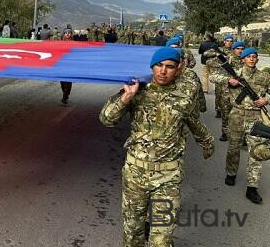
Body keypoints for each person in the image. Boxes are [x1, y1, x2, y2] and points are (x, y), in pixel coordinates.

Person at [99, 47, 214, 246]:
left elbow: (194, 122)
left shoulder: (184, 97)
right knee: (132, 236)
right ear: (152, 67)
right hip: (135, 175)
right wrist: (126, 99)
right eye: (159, 65)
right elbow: (106, 119)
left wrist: (207, 142)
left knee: (161, 241)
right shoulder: (137, 90)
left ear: (178, 69)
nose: (163, 71)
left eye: (169, 67)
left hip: (168, 178)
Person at [211, 47, 269, 204]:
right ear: (243, 59)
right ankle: (231, 173)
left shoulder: (264, 76)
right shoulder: (235, 72)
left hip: (255, 117)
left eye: (254, 56)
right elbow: (213, 76)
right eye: (248, 56)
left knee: (257, 152)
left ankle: (252, 187)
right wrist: (229, 80)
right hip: (236, 115)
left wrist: (266, 100)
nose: (251, 59)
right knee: (233, 148)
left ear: (257, 59)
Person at [60, 29, 73, 104]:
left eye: (69, 33)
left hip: (70, 65)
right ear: (63, 34)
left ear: (71, 34)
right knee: (62, 81)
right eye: (66, 33)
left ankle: (64, 97)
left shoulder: (74, 43)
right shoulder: (60, 43)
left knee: (68, 81)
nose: (67, 34)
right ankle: (65, 94)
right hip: (62, 64)